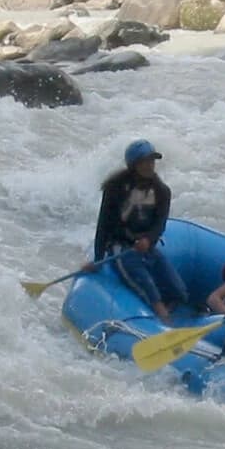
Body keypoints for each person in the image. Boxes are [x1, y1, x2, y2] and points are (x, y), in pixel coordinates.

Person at [86, 139, 187, 324]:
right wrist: (98, 259)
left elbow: (159, 224)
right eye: (145, 162)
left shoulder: (162, 191)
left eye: (152, 161)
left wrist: (149, 240)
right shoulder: (115, 188)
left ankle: (173, 313)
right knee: (143, 280)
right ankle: (159, 312)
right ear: (133, 165)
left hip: (146, 246)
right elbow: (104, 224)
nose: (150, 166)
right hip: (120, 244)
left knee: (179, 290)